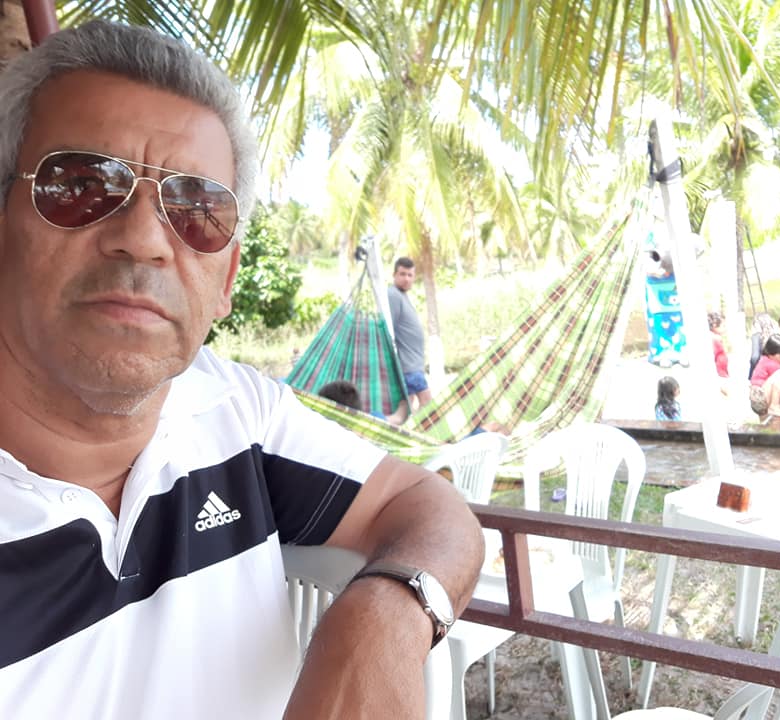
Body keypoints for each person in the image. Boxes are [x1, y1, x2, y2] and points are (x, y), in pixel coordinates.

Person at [0, 21, 483, 720]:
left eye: (196, 211)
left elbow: (426, 504)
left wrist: (382, 619)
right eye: (81, 186)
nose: (144, 239)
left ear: (225, 279)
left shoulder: (235, 413)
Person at [388, 257, 431, 417]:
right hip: (409, 366)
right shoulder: (393, 295)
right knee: (427, 404)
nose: (406, 279)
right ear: (394, 275)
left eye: (410, 275)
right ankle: (419, 430)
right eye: (402, 274)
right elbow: (389, 328)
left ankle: (404, 429)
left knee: (405, 412)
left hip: (412, 365)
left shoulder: (402, 295)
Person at [644, 250, 687, 368]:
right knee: (659, 321)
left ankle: (680, 352)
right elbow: (642, 259)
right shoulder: (649, 241)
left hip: (675, 280)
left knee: (678, 320)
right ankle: (661, 355)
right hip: (655, 284)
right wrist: (653, 270)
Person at [749, 334, 780, 418]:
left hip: (759, 399)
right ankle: (774, 407)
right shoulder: (771, 364)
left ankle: (774, 406)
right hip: (760, 399)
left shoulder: (766, 359)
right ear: (770, 354)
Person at [707, 311, 729, 386]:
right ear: (714, 326)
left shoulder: (717, 339)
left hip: (722, 373)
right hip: (718, 375)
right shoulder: (713, 340)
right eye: (723, 326)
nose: (725, 328)